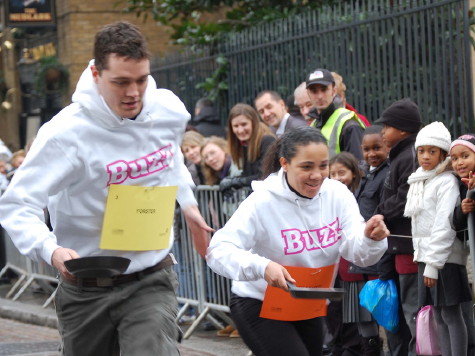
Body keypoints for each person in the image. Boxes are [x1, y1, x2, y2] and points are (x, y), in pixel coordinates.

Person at [0, 21, 211, 356]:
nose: (134, 93)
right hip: (86, 285)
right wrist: (49, 249)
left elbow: (170, 159)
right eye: (121, 82)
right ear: (97, 75)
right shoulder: (65, 134)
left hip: (150, 276)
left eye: (142, 80)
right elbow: (17, 205)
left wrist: (189, 207)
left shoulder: (166, 108)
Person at [206, 126, 389, 356]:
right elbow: (218, 250)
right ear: (285, 163)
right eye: (306, 167)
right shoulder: (262, 201)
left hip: (307, 301)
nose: (317, 175)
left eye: (323, 166)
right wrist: (262, 267)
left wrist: (370, 239)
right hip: (260, 302)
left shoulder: (338, 194)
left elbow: (357, 252)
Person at [404, 121, 472, 356]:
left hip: (444, 258)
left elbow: (444, 225)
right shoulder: (421, 180)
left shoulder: (445, 181)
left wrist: (432, 266)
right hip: (428, 257)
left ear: (443, 154)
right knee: (439, 314)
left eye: (432, 151)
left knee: (451, 315)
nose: (425, 156)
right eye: (421, 151)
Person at [374, 98, 422, 356]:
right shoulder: (402, 154)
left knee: (412, 311)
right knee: (403, 311)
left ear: (403, 130)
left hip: (408, 246)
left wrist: (379, 213)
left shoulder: (411, 156)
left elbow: (406, 196)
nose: (382, 131)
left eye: (387, 126)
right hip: (398, 247)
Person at [329, 152, 382, 356]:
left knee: (369, 316)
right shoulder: (334, 197)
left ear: (353, 173)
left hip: (365, 267)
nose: (337, 178)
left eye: (341, 172)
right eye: (332, 174)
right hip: (348, 267)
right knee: (358, 319)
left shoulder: (359, 194)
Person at [450, 133, 475, 356]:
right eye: (455, 158)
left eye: (465, 156)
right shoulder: (457, 185)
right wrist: (462, 210)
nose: (459, 163)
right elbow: (456, 226)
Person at [306, 68, 366, 160]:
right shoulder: (314, 124)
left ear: (334, 91)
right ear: (308, 94)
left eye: (324, 89)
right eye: (314, 91)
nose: (320, 96)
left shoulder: (349, 124)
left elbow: (360, 167)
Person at [218, 103, 275, 193]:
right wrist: (230, 180)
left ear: (253, 123)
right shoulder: (245, 144)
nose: (240, 130)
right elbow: (248, 174)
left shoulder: (267, 141)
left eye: (244, 124)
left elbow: (264, 175)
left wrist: (236, 182)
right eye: (236, 126)